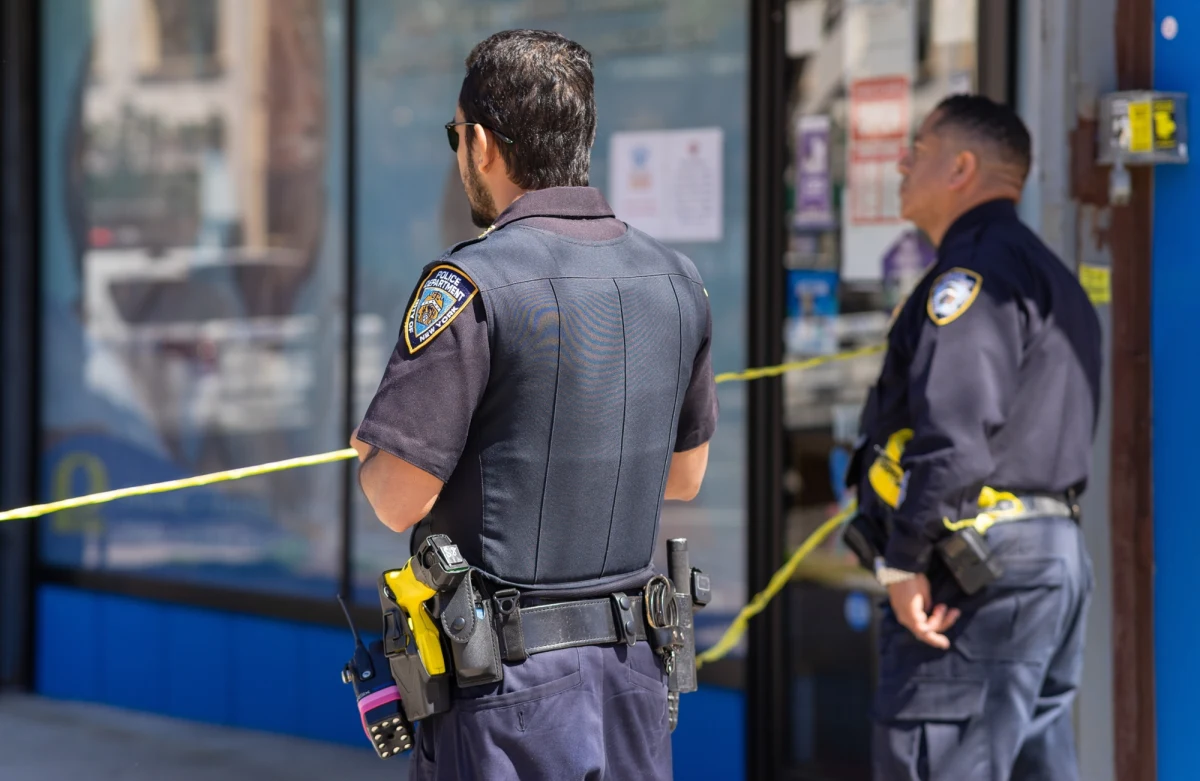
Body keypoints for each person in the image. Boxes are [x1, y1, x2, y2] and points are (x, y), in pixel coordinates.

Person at [348, 30, 717, 781]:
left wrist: (373, 452)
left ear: (481, 143)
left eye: (456, 135)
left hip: (505, 698)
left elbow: (395, 499)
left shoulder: (468, 284)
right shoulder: (677, 279)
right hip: (632, 680)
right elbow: (684, 478)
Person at [844, 94, 1102, 780]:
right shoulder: (1049, 275)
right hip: (1050, 557)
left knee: (936, 758)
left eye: (919, 149)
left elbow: (956, 438)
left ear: (961, 166)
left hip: (978, 569)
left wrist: (903, 560)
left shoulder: (972, 279)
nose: (901, 161)